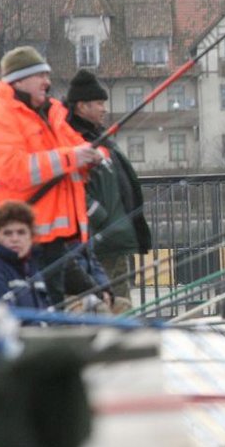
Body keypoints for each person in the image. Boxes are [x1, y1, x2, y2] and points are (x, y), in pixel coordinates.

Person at [0, 47, 106, 304]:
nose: (47, 82)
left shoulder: (51, 113)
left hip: (51, 236)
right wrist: (73, 157)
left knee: (50, 305)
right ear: (19, 80)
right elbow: (13, 169)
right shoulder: (0, 116)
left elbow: (75, 147)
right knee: (32, 308)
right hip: (20, 235)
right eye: (40, 75)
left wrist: (91, 158)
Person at [65, 69, 152, 313]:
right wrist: (98, 215)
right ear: (81, 106)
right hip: (101, 237)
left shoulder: (97, 137)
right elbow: (72, 186)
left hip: (114, 234)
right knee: (108, 300)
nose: (104, 108)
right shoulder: (74, 139)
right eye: (99, 103)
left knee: (120, 298)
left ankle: (124, 342)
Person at [0, 201, 49, 310]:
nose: (15, 239)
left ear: (32, 237)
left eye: (21, 232)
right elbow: (3, 317)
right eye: (7, 233)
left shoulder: (33, 270)